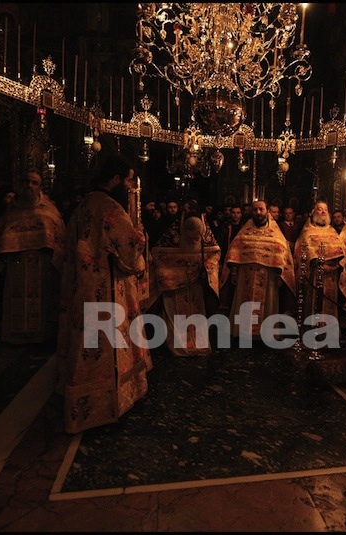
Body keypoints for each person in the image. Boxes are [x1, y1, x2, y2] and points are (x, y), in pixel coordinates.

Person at [55, 154, 152, 433]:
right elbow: (130, 250)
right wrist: (140, 235)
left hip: (81, 288)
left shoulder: (84, 205)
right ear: (115, 179)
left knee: (85, 342)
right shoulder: (110, 208)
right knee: (108, 342)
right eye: (128, 180)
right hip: (107, 289)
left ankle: (81, 402)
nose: (130, 186)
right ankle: (109, 403)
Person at [0, 171, 66, 344]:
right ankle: (15, 336)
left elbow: (59, 236)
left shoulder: (48, 208)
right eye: (26, 181)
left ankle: (41, 336)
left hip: (42, 264)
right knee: (16, 302)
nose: (29, 186)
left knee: (41, 302)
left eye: (34, 183)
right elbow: (0, 235)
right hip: (16, 264)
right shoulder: (12, 209)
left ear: (40, 187)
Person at [220, 199, 296, 338]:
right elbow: (235, 250)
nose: (258, 212)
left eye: (261, 209)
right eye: (255, 210)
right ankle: (243, 333)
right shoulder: (245, 231)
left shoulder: (275, 233)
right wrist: (234, 272)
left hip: (268, 277)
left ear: (267, 211)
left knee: (267, 305)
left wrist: (280, 275)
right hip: (245, 276)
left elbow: (283, 254)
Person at [150, 212, 221, 356]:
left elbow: (215, 253)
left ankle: (199, 344)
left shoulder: (206, 239)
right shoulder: (172, 238)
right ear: (183, 232)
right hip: (174, 287)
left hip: (196, 285)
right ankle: (179, 345)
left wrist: (206, 268)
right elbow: (157, 256)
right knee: (177, 315)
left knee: (197, 313)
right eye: (190, 238)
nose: (194, 241)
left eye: (196, 238)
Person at [294, 201, 346, 325]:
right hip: (315, 273)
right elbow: (305, 249)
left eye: (325, 209)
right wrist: (320, 264)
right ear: (313, 212)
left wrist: (337, 264)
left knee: (330, 302)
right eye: (319, 209)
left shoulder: (332, 231)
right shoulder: (307, 231)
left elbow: (342, 249)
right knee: (315, 302)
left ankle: (330, 330)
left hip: (332, 274)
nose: (323, 212)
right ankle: (313, 329)